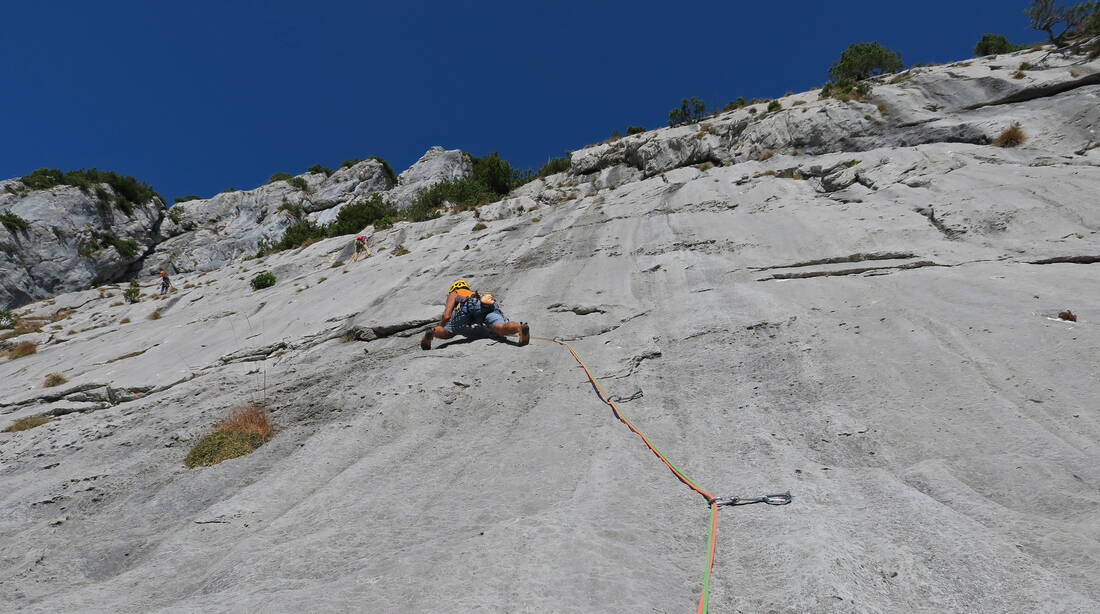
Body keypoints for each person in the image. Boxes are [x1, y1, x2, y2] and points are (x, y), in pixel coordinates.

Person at [421, 279, 529, 350]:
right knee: (500, 327)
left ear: (453, 288)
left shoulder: (454, 293)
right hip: (485, 304)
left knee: (448, 332)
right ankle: (520, 327)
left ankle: (432, 333)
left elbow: (447, 315)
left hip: (466, 306)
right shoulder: (474, 293)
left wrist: (441, 326)